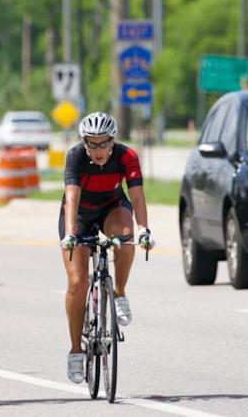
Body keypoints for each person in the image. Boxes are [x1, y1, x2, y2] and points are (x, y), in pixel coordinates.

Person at [58, 111, 153, 383]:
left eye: (103, 143)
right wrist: (70, 234)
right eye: (92, 143)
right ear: (84, 142)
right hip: (79, 213)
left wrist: (144, 229)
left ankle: (119, 292)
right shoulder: (75, 156)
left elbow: (136, 196)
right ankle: (76, 350)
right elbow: (71, 198)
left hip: (112, 207)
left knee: (125, 236)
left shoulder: (127, 156)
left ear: (113, 141)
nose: (98, 150)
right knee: (77, 282)